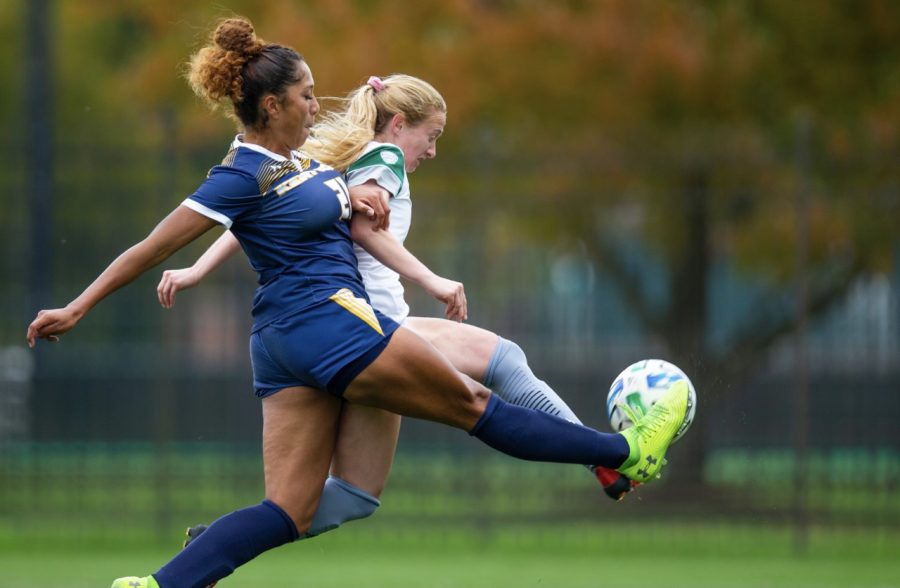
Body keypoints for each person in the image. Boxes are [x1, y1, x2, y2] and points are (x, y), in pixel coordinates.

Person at [25, 17, 689, 588]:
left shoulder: (303, 164)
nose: (317, 105)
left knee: (291, 510)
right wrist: (79, 307)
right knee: (473, 404)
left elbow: (324, 208)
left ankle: (160, 582)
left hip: (282, 346)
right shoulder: (240, 174)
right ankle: (625, 452)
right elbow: (150, 245)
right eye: (306, 96)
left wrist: (352, 196)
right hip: (330, 324)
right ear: (270, 108)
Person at [158, 73, 636, 546]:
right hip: (367, 328)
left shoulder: (324, 164)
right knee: (502, 360)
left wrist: (197, 269)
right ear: (400, 124)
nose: (431, 151)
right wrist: (433, 280)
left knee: (354, 494)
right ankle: (600, 457)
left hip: (336, 332)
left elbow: (252, 215)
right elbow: (367, 232)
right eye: (432, 136)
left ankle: (217, 542)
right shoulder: (385, 156)